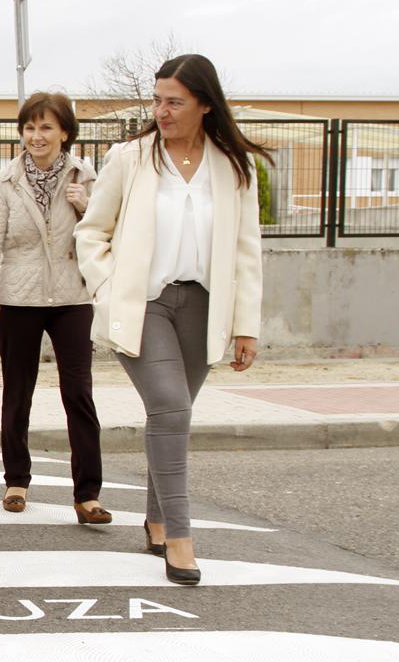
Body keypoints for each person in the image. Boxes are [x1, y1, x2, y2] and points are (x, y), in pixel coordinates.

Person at [75, 54, 267, 586]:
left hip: (205, 308)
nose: (162, 111)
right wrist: (108, 284)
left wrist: (246, 324)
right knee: (170, 404)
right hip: (144, 306)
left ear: (205, 105)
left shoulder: (232, 167)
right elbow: (91, 232)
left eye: (174, 102)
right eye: (157, 100)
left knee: (174, 416)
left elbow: (247, 250)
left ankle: (157, 518)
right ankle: (180, 537)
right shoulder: (131, 158)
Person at [0, 91, 108, 524]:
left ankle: (87, 494)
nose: (37, 135)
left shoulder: (87, 177)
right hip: (18, 298)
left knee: (79, 393)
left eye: (47, 127)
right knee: (17, 393)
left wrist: (85, 207)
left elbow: (106, 234)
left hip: (72, 297)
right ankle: (16, 480)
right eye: (30, 127)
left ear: (65, 132)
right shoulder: (4, 182)